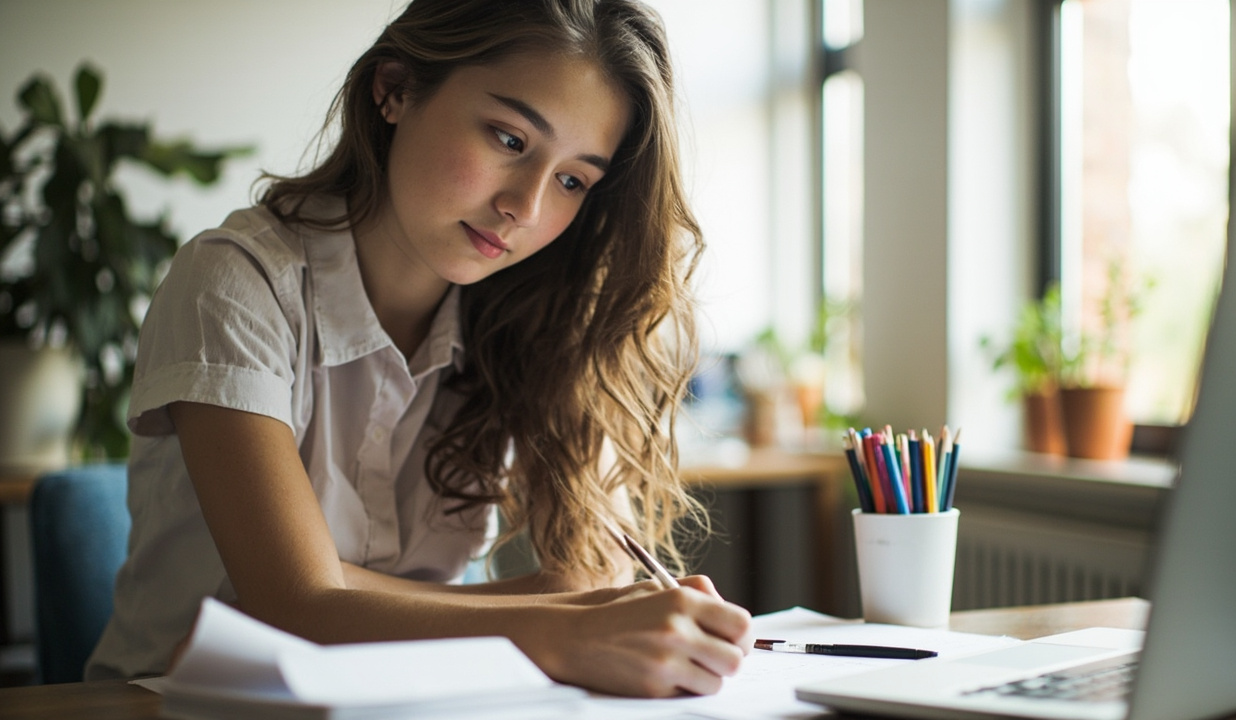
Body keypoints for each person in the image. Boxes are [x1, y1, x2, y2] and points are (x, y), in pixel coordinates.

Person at [86, 0, 752, 697]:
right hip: (175, 707)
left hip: (406, 701)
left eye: (572, 180)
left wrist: (590, 612)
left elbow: (584, 575)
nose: (525, 208)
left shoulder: (531, 318)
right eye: (509, 139)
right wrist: (569, 625)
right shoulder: (234, 282)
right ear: (395, 89)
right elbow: (293, 605)